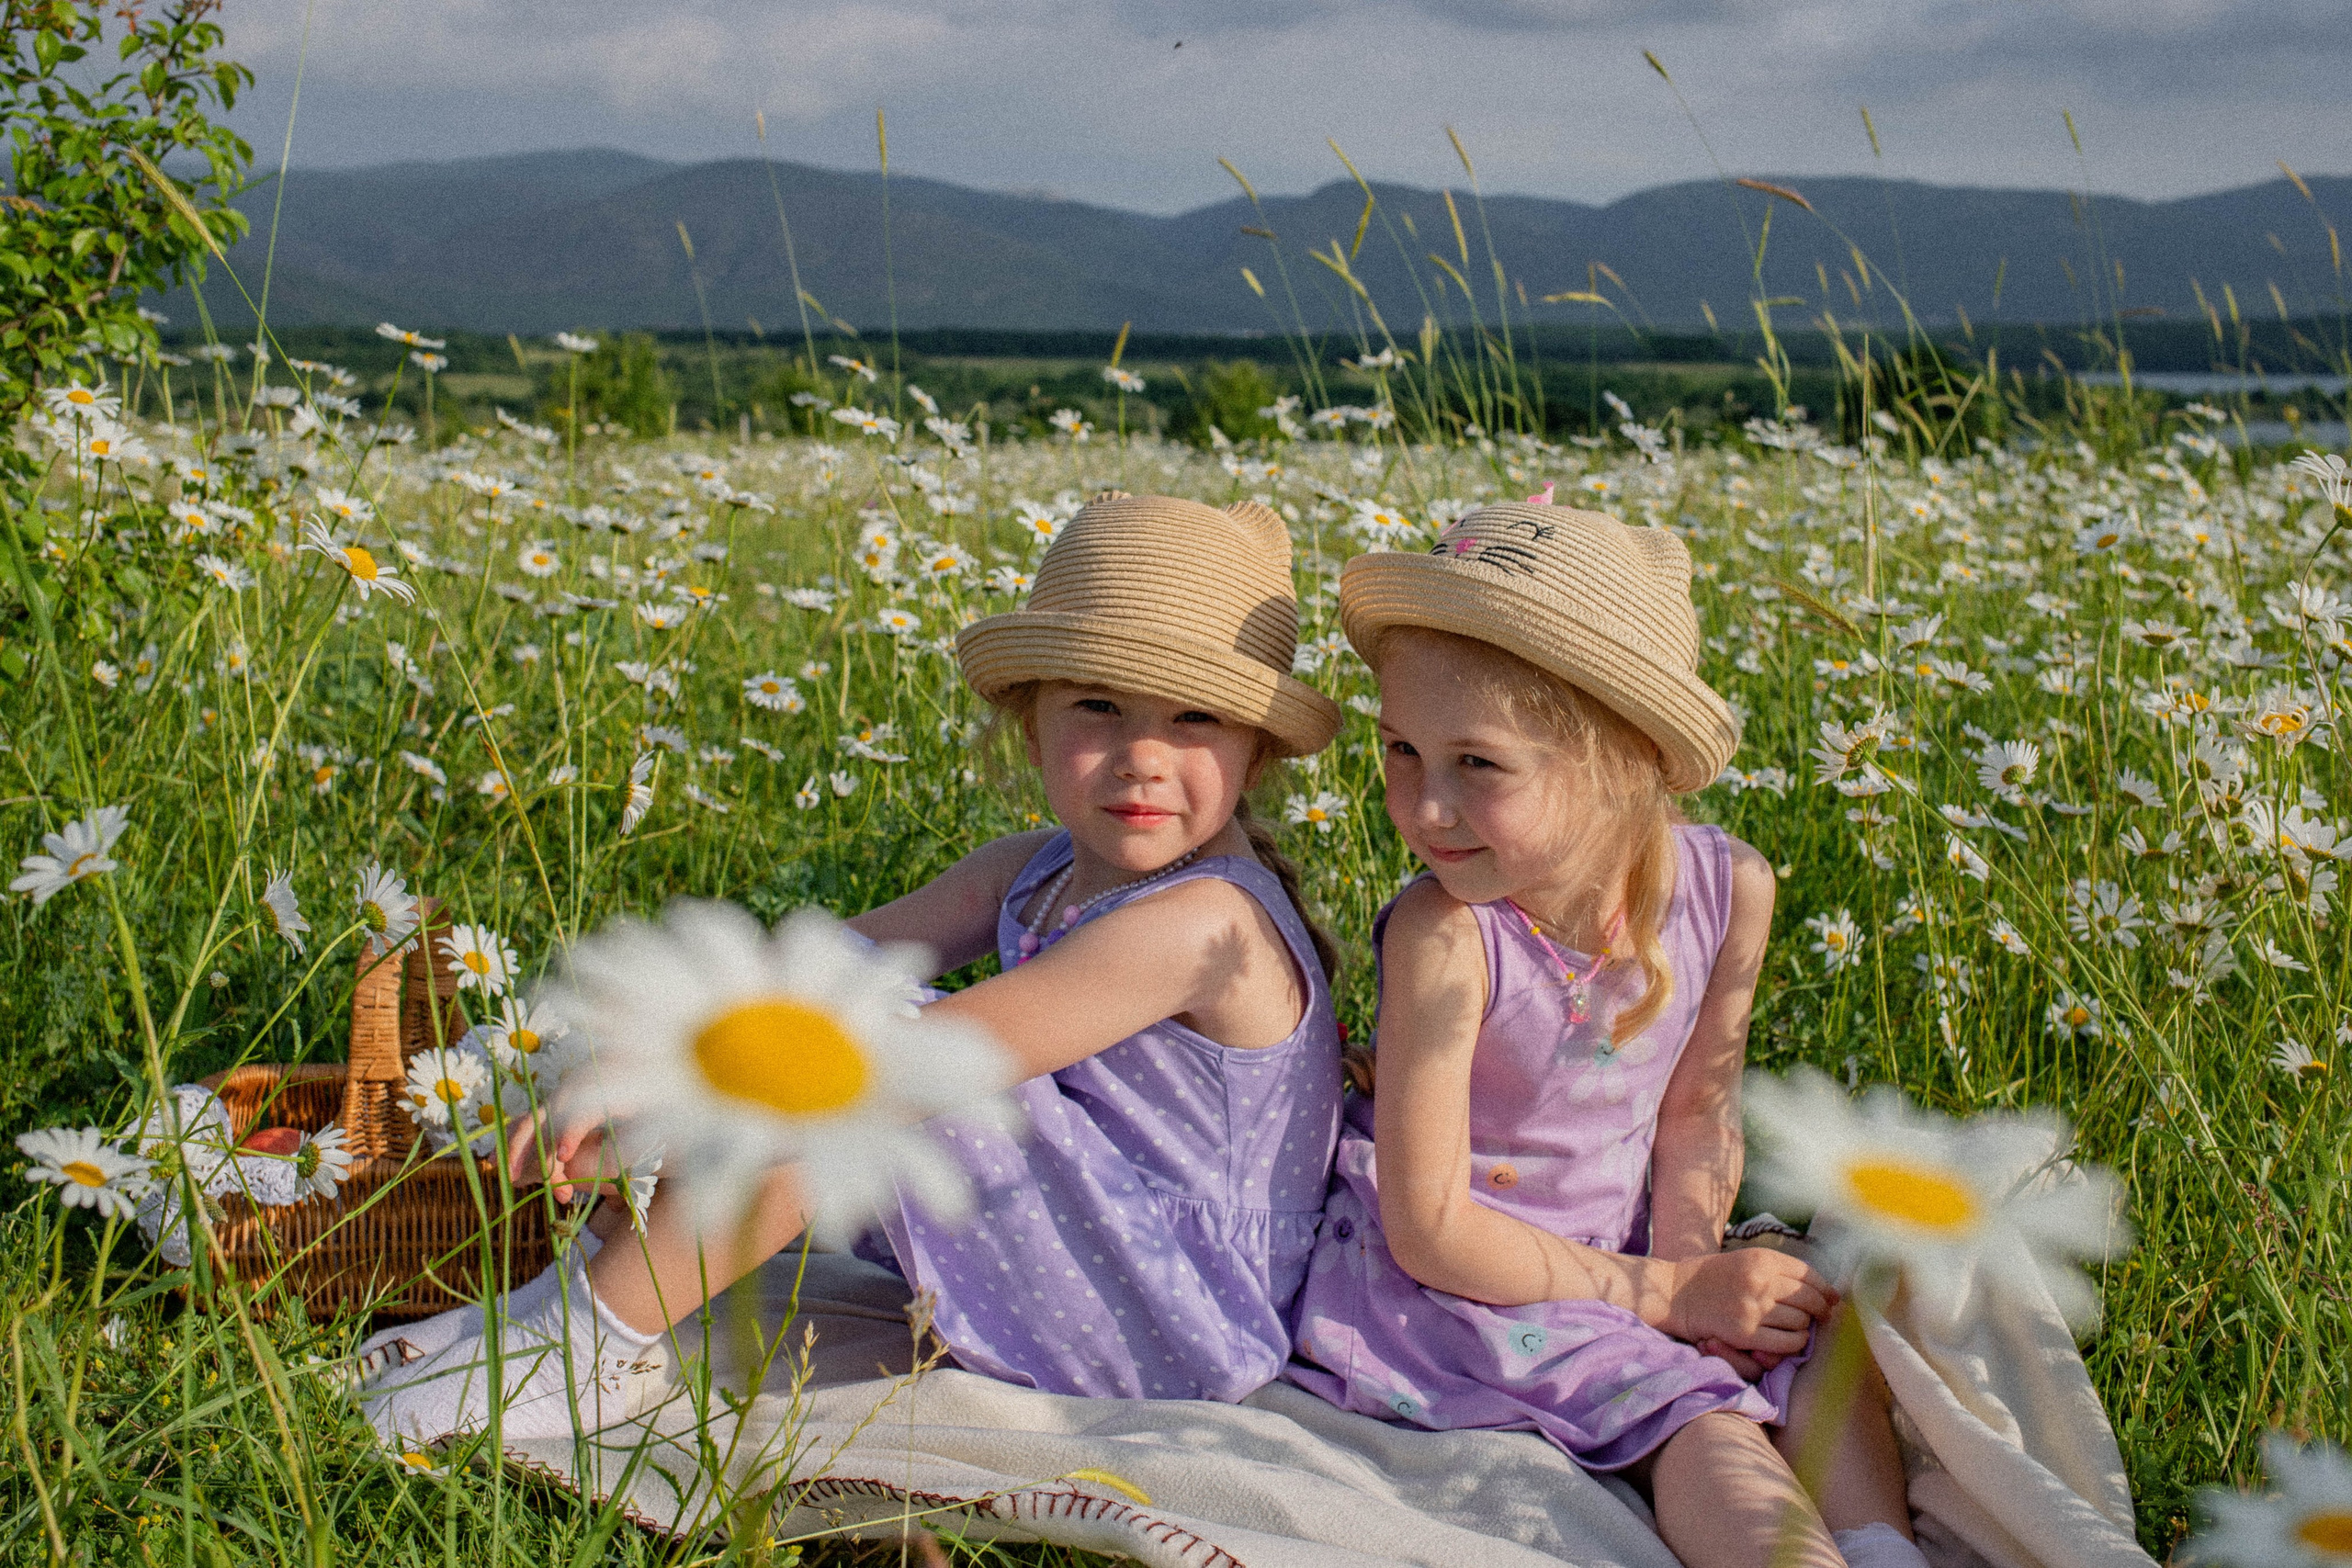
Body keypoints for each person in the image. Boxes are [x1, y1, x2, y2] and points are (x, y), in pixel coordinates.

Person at [360, 492, 1348, 1441]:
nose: (1142, 756)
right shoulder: (1030, 869)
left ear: (1256, 756)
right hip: (1092, 1251)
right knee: (830, 1022)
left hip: (1178, 1319)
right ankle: (557, 1309)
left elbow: (915, 1058)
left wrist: (675, 1106)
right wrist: (637, 1060)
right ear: (1030, 721)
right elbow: (814, 971)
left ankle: (593, 1345)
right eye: (1099, 705)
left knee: (854, 1063)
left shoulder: (1202, 925)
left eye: (1194, 719)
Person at [1283, 501, 1921, 1568]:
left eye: (1477, 764)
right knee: (1698, 1420)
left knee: (1816, 1315)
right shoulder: (1449, 935)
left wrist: (1693, 1274)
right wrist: (1669, 1303)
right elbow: (1430, 1230)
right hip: (1467, 1278)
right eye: (1400, 749)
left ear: (1622, 758)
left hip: (1626, 1249)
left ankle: (1884, 1548)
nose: (1424, 808)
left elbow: (1697, 1113)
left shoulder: (1729, 888)